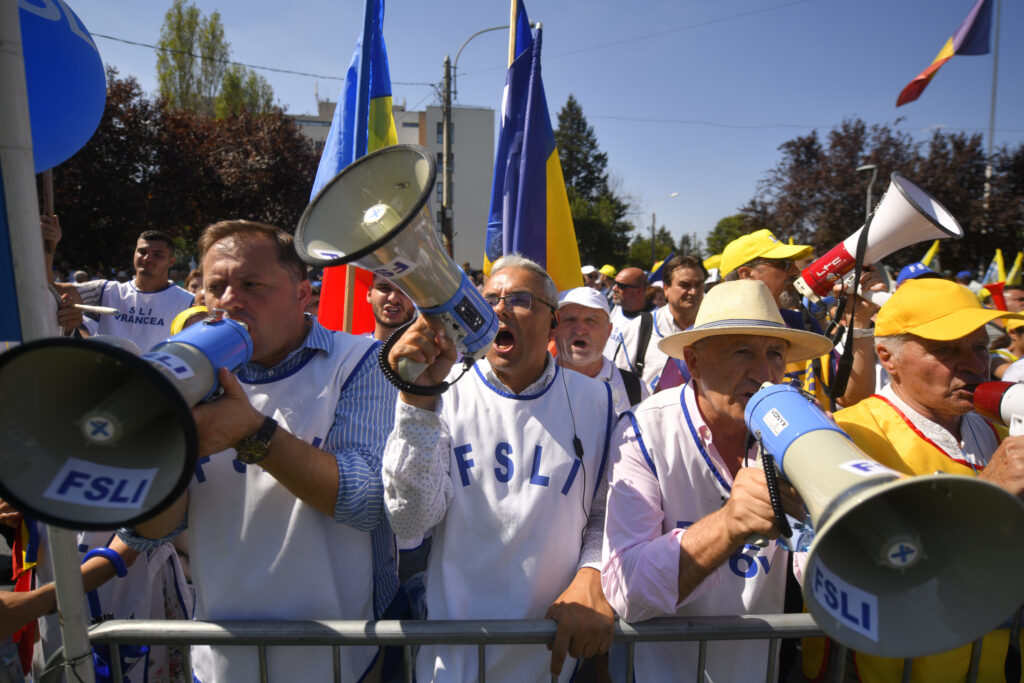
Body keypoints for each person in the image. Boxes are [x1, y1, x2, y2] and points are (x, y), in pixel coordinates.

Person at [119, 220, 400, 682]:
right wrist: (166, 452)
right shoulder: (188, 374)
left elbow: (367, 502)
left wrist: (254, 433)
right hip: (222, 657)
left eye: (252, 284)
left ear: (301, 294)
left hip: (341, 655)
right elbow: (151, 532)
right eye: (216, 287)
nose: (231, 300)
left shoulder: (359, 362)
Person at [382, 254, 615, 682]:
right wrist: (415, 403)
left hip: (553, 653)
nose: (500, 308)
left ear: (553, 322)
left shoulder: (600, 402)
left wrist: (593, 572)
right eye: (489, 299)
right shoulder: (442, 389)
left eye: (520, 299)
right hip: (455, 652)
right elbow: (411, 516)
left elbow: (605, 516)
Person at [602, 279, 833, 681]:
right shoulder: (643, 431)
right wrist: (728, 525)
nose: (764, 374)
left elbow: (821, 569)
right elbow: (625, 591)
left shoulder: (801, 422)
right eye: (742, 352)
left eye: (775, 354)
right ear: (693, 362)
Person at [813, 278, 1024, 682]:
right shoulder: (844, 435)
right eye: (946, 350)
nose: (974, 364)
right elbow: (860, 566)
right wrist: (990, 494)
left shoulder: (996, 427)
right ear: (886, 357)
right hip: (877, 670)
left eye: (980, 346)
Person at [721, 228, 880, 408]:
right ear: (747, 275)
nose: (796, 271)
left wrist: (859, 319)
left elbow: (852, 399)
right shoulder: (709, 336)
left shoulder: (801, 324)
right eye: (784, 264)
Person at [69, 231, 194, 352]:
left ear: (171, 261)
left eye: (157, 255)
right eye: (142, 251)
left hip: (157, 373)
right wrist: (51, 245)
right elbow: (53, 290)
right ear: (134, 253)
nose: (147, 258)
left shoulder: (190, 302)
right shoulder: (105, 290)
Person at [609, 255, 706, 394]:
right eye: (685, 285)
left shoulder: (713, 329)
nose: (694, 292)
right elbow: (619, 384)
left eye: (699, 285)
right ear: (666, 288)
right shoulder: (641, 327)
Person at [555, 286, 648, 413]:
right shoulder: (531, 383)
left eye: (591, 320)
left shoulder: (634, 389)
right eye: (569, 320)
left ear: (608, 330)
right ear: (553, 328)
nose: (579, 330)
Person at [367, 273, 416, 341]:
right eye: (384, 289)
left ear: (416, 299)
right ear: (369, 294)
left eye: (404, 291)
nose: (393, 299)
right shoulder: (351, 348)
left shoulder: (431, 350)